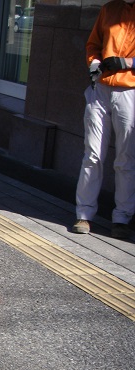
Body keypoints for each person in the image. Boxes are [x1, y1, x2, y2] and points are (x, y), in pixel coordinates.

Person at [72, 0, 135, 239]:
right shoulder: (110, 9)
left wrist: (129, 63)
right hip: (101, 88)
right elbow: (94, 44)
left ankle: (122, 218)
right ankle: (84, 214)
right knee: (92, 153)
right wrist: (95, 63)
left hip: (129, 90)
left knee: (126, 157)